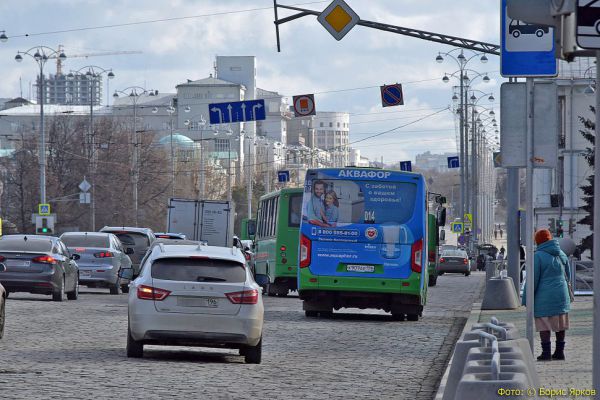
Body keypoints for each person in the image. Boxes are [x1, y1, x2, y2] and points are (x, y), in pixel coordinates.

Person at [522, 229, 571, 361]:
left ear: (538, 241)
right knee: (560, 323)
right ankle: (560, 352)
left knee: (544, 324)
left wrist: (526, 298)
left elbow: (533, 280)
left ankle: (546, 353)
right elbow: (568, 275)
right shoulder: (561, 253)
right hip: (561, 295)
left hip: (544, 298)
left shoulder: (537, 256)